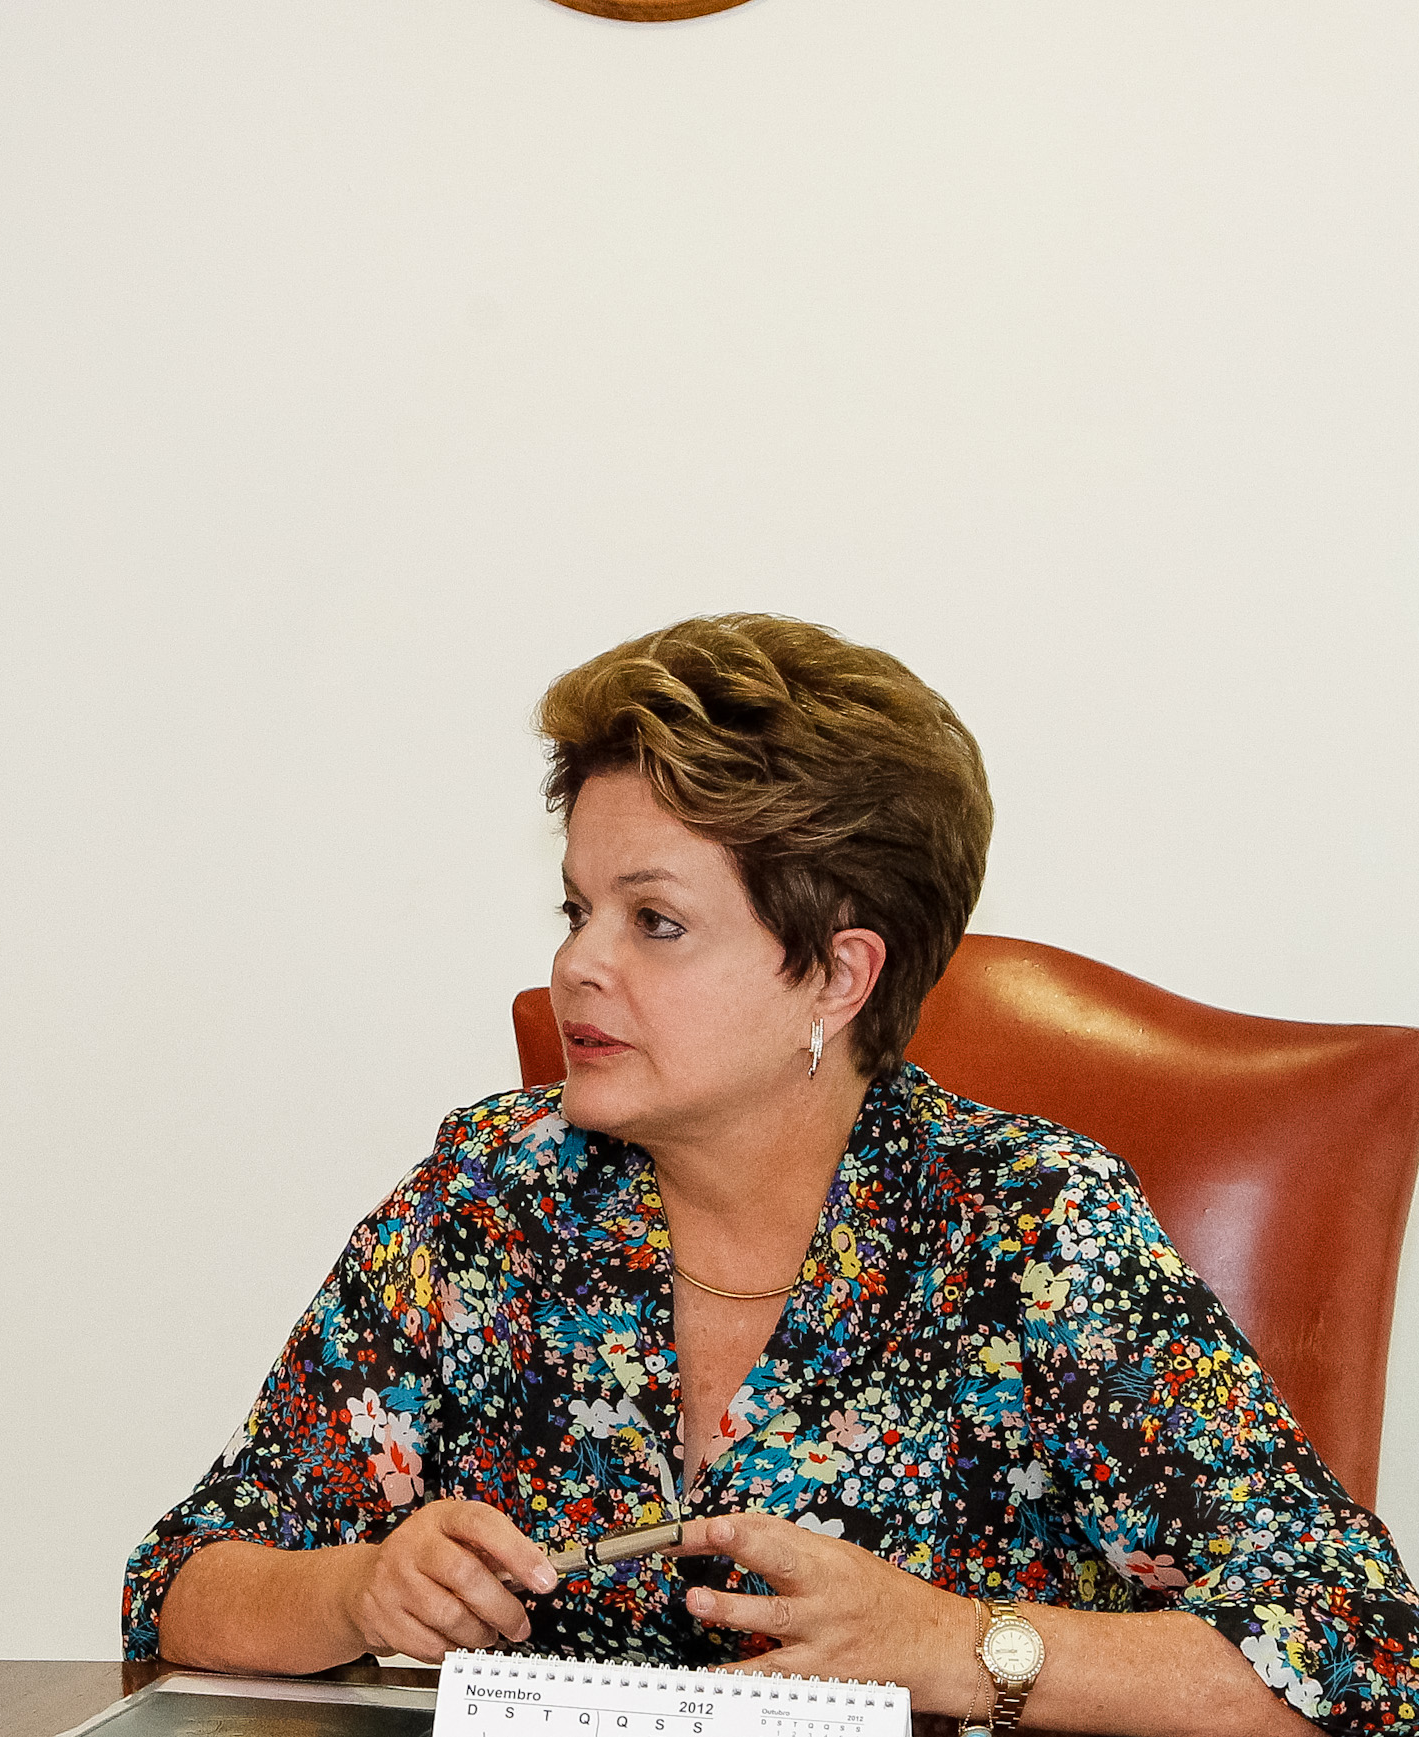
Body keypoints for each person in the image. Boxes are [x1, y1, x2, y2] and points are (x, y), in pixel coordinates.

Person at [125, 615, 1417, 1734]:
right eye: (576, 909)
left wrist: (962, 1647)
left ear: (837, 974)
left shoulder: (1034, 1228)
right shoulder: (482, 1198)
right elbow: (176, 1580)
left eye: (656, 921)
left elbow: (1363, 1652)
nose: (580, 964)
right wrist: (354, 1587)